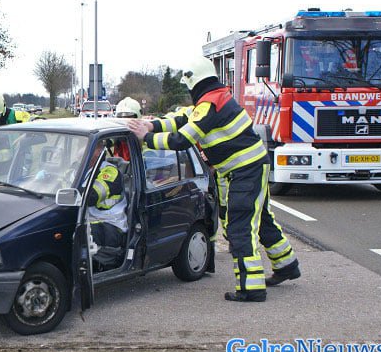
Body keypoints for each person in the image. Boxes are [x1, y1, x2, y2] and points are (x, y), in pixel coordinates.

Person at [128, 56, 300, 302]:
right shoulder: (214, 99)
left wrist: (146, 138)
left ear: (193, 82)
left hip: (245, 171)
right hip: (252, 167)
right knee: (261, 220)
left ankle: (251, 288)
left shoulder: (209, 104)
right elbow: (181, 120)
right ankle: (286, 264)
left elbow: (182, 140)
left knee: (240, 227)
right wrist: (152, 125)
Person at [86, 141, 128, 270]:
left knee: (79, 232)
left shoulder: (109, 171)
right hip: (88, 219)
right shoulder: (79, 169)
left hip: (109, 224)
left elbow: (91, 196)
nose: (81, 151)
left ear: (99, 151)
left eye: (88, 147)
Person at [113, 97, 143, 161]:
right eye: (121, 118)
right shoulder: (116, 136)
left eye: (129, 118)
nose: (125, 122)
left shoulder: (144, 136)